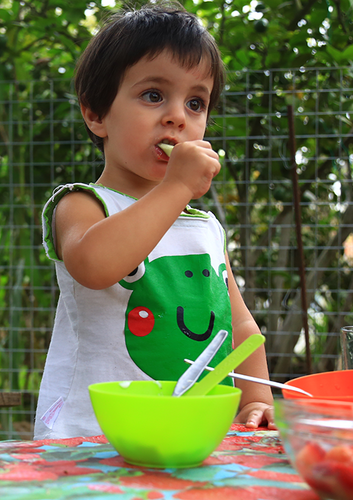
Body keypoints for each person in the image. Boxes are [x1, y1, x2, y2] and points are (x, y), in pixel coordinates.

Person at [34, 2, 275, 440]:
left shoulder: (206, 229)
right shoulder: (83, 204)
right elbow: (94, 266)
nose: (177, 117)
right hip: (92, 437)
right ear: (96, 114)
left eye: (196, 103)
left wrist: (256, 398)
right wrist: (177, 187)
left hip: (192, 433)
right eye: (153, 95)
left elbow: (239, 326)